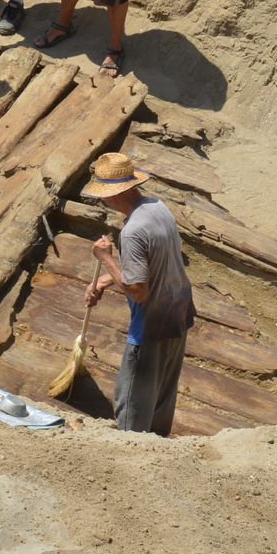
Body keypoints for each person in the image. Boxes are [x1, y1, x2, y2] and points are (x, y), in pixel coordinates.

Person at [82, 153, 197, 435]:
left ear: (112, 195)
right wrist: (106, 281)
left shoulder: (132, 232)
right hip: (178, 316)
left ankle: (131, 462)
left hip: (151, 328)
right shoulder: (158, 207)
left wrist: (106, 258)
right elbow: (157, 263)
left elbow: (139, 291)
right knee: (160, 402)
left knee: (132, 404)